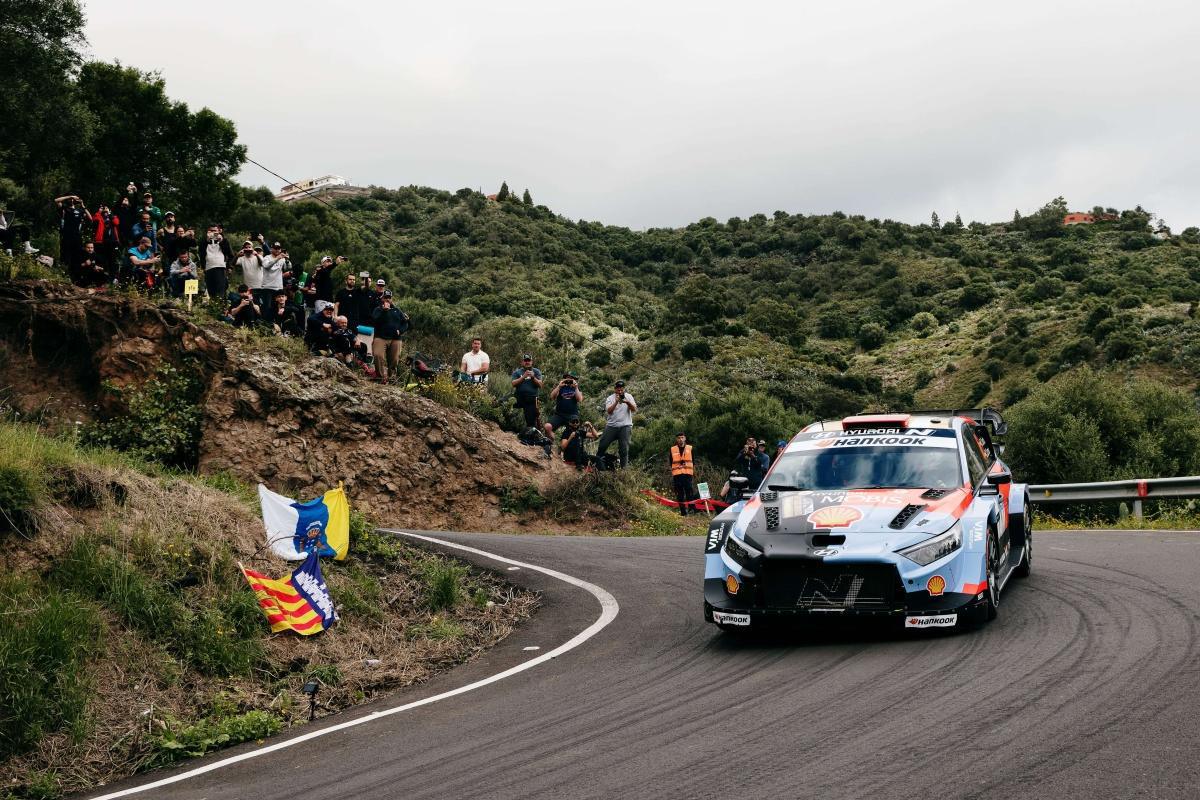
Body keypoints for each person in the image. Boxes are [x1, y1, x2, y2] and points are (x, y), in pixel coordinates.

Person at [596, 379, 637, 469]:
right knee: (602, 444)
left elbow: (634, 409)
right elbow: (609, 411)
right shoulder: (610, 398)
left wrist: (627, 402)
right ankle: (597, 464)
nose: (620, 391)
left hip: (625, 426)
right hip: (612, 426)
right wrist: (616, 402)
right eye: (618, 389)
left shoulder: (629, 396)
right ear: (615, 389)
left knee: (624, 449)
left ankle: (624, 470)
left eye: (621, 389)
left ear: (624, 389)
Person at [370, 290, 409, 383]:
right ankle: (379, 377)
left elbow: (405, 323)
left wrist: (400, 330)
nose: (387, 299)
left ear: (391, 299)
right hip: (380, 337)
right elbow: (375, 321)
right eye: (385, 297)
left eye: (389, 298)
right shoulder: (378, 310)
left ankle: (392, 378)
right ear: (382, 298)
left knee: (394, 360)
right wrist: (384, 311)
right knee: (378, 355)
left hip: (395, 339)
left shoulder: (397, 310)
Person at [545, 372, 584, 442]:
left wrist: (576, 388)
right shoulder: (560, 387)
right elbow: (552, 396)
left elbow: (579, 399)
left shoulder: (576, 388)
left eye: (571, 378)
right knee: (547, 427)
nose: (569, 380)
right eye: (567, 378)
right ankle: (551, 443)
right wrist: (559, 386)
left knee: (572, 434)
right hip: (559, 414)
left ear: (574, 380)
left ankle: (565, 449)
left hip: (572, 415)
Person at [55, 195, 90, 272]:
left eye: (73, 199)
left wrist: (83, 205)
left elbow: (90, 218)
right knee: (66, 253)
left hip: (77, 236)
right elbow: (56, 200)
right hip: (67, 235)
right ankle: (64, 270)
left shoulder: (80, 210)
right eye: (70, 199)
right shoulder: (65, 208)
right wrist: (70, 196)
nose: (71, 200)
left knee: (77, 254)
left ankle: (75, 271)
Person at [510, 354, 543, 429]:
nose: (527, 362)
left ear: (532, 362)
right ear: (522, 362)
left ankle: (531, 434)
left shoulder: (536, 371)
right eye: (525, 361)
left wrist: (533, 377)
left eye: (529, 360)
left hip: (531, 399)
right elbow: (513, 383)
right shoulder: (517, 372)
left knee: (531, 423)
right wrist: (523, 377)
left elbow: (540, 385)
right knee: (502, 402)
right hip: (518, 397)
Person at [201, 224, 233, 299]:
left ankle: (220, 307)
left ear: (219, 231)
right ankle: (213, 307)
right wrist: (207, 241)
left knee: (220, 291)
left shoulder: (224, 240)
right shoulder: (204, 241)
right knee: (211, 291)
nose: (213, 233)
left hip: (220, 267)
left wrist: (221, 241)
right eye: (211, 231)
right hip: (208, 268)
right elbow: (201, 253)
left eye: (215, 231)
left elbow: (230, 254)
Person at [670, 432, 696, 516]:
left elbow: (693, 461)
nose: (680, 439)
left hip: (687, 474)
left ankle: (691, 510)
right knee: (680, 494)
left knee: (689, 492)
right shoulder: (673, 449)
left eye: (682, 437)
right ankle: (683, 512)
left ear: (685, 438)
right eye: (679, 438)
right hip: (677, 475)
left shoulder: (690, 448)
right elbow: (671, 462)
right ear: (676, 439)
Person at [236, 240, 267, 309]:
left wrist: (256, 255)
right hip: (249, 287)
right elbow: (233, 264)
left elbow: (262, 264)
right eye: (246, 248)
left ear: (252, 248)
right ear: (243, 249)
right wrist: (237, 255)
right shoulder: (241, 258)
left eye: (249, 247)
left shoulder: (258, 256)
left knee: (261, 304)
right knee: (251, 303)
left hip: (260, 285)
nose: (248, 249)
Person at [90, 202, 120, 271]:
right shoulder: (99, 217)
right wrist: (99, 211)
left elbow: (116, 222)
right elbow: (94, 219)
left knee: (112, 259)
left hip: (112, 242)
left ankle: (112, 276)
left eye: (106, 208)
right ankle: (102, 274)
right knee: (102, 259)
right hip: (101, 242)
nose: (104, 210)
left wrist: (109, 213)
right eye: (103, 208)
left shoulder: (113, 216)